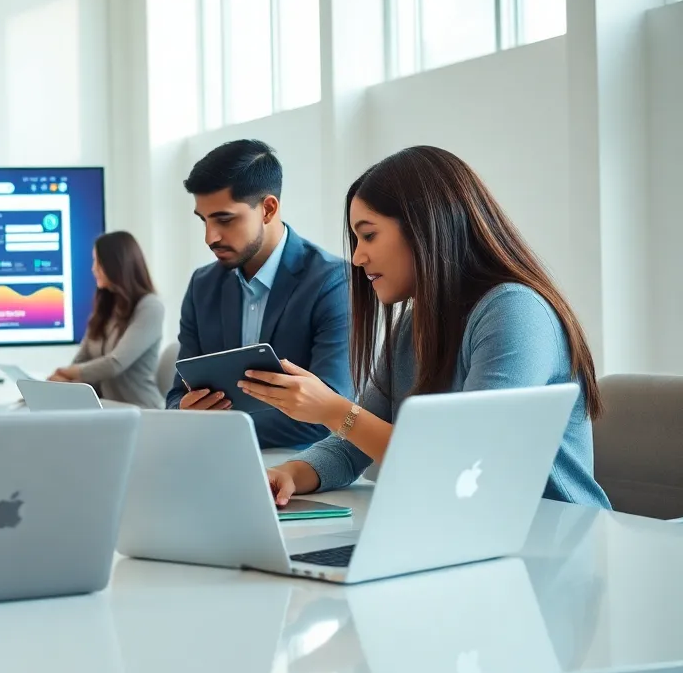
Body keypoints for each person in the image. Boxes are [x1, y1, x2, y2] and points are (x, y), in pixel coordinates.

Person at [248, 146, 610, 508]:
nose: (357, 257)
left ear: (425, 227)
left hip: (558, 530)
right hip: (468, 524)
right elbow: (350, 448)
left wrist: (334, 410)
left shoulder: (515, 311)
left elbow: (465, 464)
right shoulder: (413, 325)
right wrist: (289, 474)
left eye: (369, 235)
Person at [168, 139, 350, 449]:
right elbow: (176, 396)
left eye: (225, 219)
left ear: (268, 209)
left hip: (300, 464)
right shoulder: (203, 285)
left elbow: (331, 409)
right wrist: (184, 411)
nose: (210, 237)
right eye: (204, 220)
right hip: (213, 457)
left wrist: (221, 428)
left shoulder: (332, 282)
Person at [48, 231, 165, 409]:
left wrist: (67, 372)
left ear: (117, 265)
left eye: (98, 262)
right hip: (108, 410)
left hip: (142, 412)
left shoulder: (150, 307)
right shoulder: (107, 307)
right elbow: (83, 358)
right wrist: (63, 380)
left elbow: (115, 364)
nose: (93, 269)